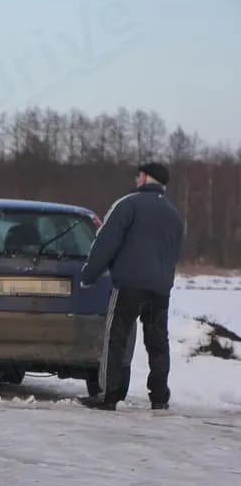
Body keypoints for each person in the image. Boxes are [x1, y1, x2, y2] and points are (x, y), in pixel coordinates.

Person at [78, 162, 184, 411]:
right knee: (158, 341)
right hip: (160, 288)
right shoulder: (174, 214)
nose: (136, 180)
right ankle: (159, 397)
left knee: (116, 338)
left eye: (139, 176)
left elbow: (105, 243)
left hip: (129, 285)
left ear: (145, 178)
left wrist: (89, 274)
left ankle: (109, 395)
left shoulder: (128, 205)